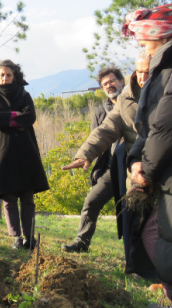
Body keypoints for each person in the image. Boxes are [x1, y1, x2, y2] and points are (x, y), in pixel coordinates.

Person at [123, 1, 172, 308]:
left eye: (144, 40)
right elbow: (147, 126)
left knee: (170, 237)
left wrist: (145, 171)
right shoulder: (165, 64)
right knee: (161, 234)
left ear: (163, 35)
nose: (141, 46)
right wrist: (137, 159)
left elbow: (170, 124)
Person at [62, 53, 154, 276]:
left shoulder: (166, 93)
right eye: (139, 71)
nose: (143, 76)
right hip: (121, 169)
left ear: (121, 81)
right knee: (121, 212)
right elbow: (104, 130)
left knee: (153, 220)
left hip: (157, 166)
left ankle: (161, 272)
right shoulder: (122, 102)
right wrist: (85, 154)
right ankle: (134, 267)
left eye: (148, 71)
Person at [60, 67, 125, 252]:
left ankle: (138, 256)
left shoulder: (132, 104)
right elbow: (99, 136)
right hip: (111, 169)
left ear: (122, 81)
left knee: (132, 212)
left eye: (112, 81)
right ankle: (82, 242)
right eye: (105, 84)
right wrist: (87, 156)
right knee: (91, 201)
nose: (109, 86)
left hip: (132, 168)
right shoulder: (101, 111)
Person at [0, 60, 49, 250]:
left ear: (15, 76)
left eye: (8, 75)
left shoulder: (23, 94)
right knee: (9, 197)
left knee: (27, 196)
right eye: (1, 75)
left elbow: (30, 117)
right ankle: (16, 237)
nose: (4, 78)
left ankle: (29, 237)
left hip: (25, 148)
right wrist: (15, 116)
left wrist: (7, 117)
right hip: (1, 149)